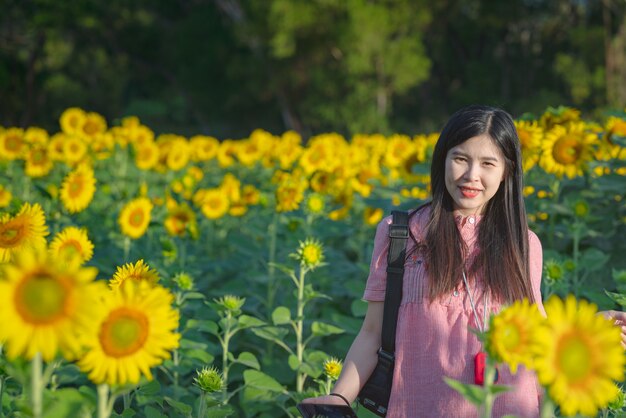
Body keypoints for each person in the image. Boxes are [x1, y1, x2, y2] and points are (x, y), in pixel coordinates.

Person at [302, 105, 626, 417]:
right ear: (442, 160)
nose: (472, 176)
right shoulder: (400, 234)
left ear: (506, 171)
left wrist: (588, 330)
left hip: (510, 408)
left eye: (488, 163)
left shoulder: (524, 244)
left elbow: (537, 334)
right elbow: (372, 332)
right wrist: (340, 396)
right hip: (420, 406)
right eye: (460, 158)